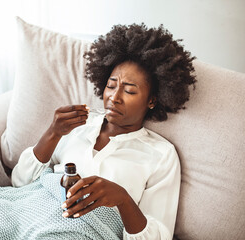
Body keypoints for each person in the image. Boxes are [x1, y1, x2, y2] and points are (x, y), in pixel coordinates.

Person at [11, 23, 196, 239]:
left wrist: (123, 199)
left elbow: (158, 236)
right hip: (28, 219)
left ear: (152, 100)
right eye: (111, 85)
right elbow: (19, 183)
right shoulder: (76, 125)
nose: (114, 97)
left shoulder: (161, 155)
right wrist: (52, 133)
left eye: (129, 90)